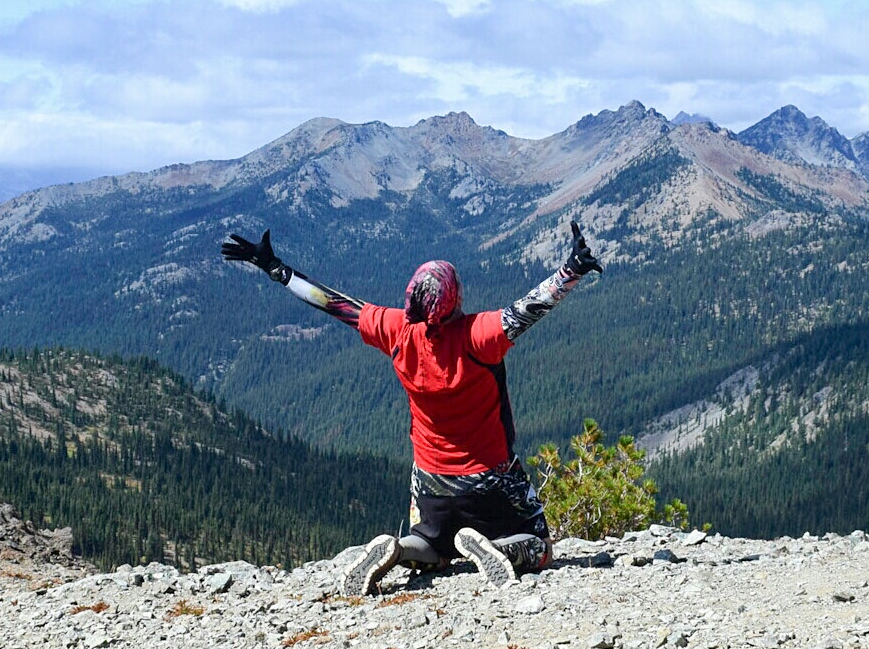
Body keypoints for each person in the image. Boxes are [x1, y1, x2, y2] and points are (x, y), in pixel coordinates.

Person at [220, 220, 604, 594]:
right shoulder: (478, 336)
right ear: (454, 299)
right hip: (488, 477)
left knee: (431, 546)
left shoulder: (397, 332)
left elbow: (334, 304)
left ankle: (400, 549)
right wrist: (573, 269)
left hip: (430, 482)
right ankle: (498, 549)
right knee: (540, 546)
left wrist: (275, 268)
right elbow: (530, 307)